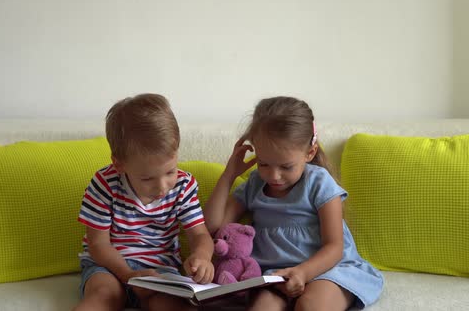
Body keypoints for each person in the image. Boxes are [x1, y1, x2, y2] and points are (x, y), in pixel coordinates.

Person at [204, 96, 383, 311]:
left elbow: (335, 247)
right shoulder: (254, 185)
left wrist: (303, 272)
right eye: (263, 163)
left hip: (327, 270)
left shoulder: (319, 183)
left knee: (310, 306)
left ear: (310, 152)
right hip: (274, 277)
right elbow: (213, 226)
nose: (274, 175)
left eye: (286, 166)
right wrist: (229, 175)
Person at [74, 93, 214, 311]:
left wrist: (202, 257)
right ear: (119, 164)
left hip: (160, 269)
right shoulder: (105, 184)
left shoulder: (183, 186)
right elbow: (97, 244)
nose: (162, 186)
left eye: (170, 171)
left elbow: (199, 234)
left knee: (172, 304)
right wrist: (128, 275)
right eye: (147, 178)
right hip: (109, 266)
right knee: (104, 296)